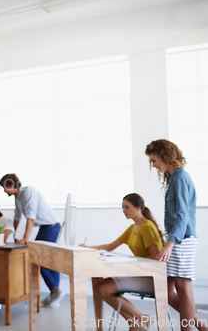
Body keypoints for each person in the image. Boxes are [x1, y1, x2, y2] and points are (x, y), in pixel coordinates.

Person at [145, 139, 207, 331]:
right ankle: (201, 326)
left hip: (181, 240)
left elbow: (182, 216)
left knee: (183, 288)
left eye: (154, 160)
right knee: (164, 289)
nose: (153, 165)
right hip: (176, 239)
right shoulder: (174, 178)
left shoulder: (180, 178)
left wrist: (170, 244)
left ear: (164, 156)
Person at [81, 193, 163, 331]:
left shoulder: (147, 227)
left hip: (151, 278)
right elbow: (110, 246)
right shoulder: (133, 228)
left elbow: (156, 258)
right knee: (99, 287)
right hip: (140, 274)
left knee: (102, 289)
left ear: (138, 208)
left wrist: (130, 264)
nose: (123, 210)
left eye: (127, 207)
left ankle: (143, 318)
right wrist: (87, 248)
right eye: (122, 207)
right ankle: (135, 323)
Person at [0, 173, 64, 308]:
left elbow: (31, 217)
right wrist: (13, 235)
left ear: (10, 185)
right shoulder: (18, 198)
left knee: (39, 260)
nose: (4, 191)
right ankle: (55, 293)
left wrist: (25, 238)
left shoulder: (29, 192)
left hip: (51, 226)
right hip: (45, 227)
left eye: (4, 188)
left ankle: (56, 291)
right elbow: (17, 218)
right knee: (44, 260)